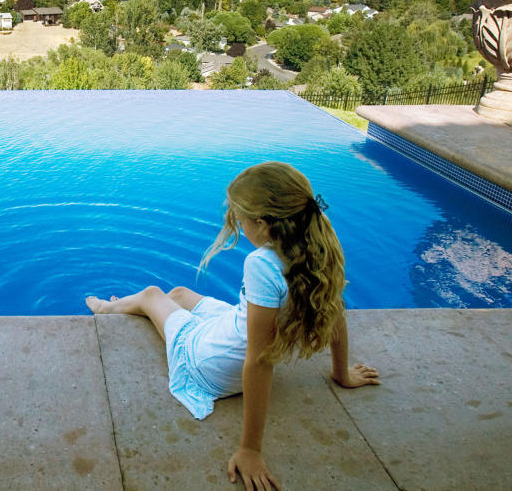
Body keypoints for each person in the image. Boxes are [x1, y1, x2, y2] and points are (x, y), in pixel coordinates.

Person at [86, 161, 380, 491]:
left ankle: (104, 308)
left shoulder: (261, 264)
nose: (239, 226)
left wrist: (250, 450)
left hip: (208, 363)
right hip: (232, 330)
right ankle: (154, 312)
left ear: (265, 224)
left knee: (152, 295)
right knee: (180, 294)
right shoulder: (319, 238)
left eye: (241, 220)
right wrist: (342, 374)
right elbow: (335, 310)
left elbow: (259, 359)